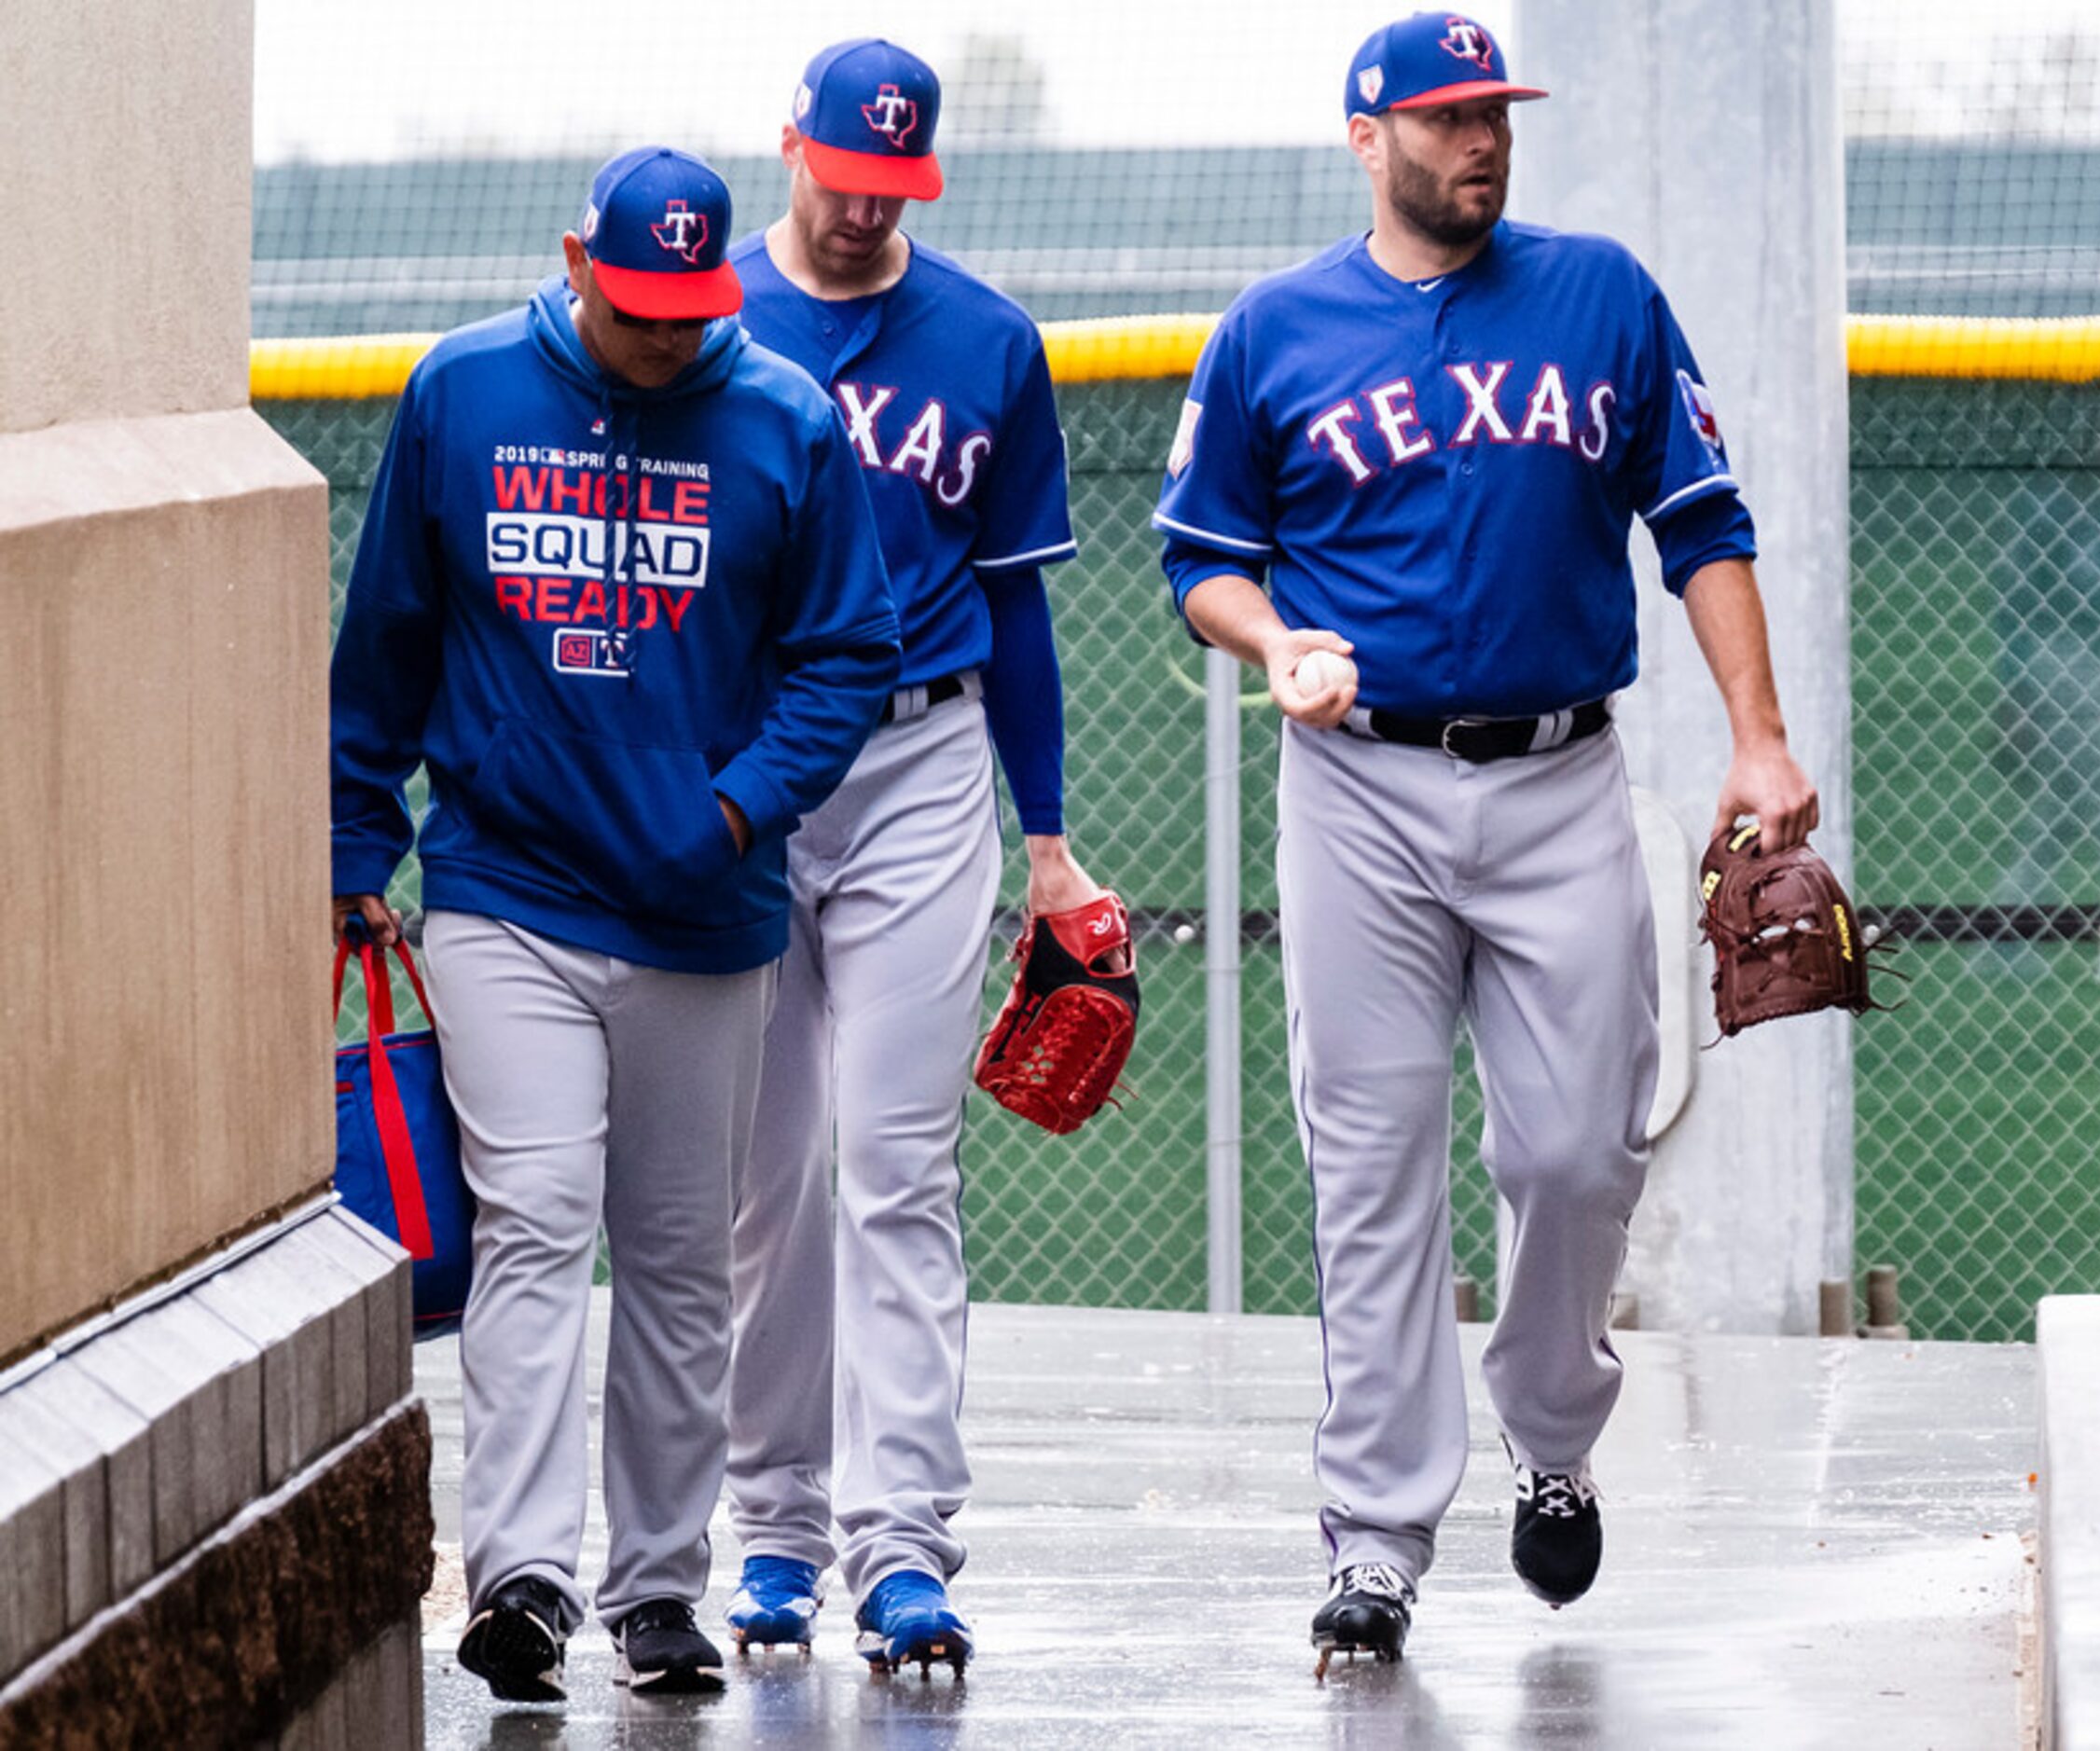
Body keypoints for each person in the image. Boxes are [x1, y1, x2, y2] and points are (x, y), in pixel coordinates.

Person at [1152, 13, 1819, 1669]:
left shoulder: (1601, 294)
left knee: (1580, 1149)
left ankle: (1553, 1427)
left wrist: (1757, 733)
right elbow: (1199, 558)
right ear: (1366, 135)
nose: (1483, 138)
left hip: (1558, 777)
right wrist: (1271, 639)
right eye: (1448, 115)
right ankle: (1376, 1540)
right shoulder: (1272, 328)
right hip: (1358, 787)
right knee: (1372, 1169)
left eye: (1495, 112)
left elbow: (1702, 521)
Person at [328, 145, 900, 1702]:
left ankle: (659, 1589)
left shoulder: (782, 418)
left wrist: (733, 808)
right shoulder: (461, 393)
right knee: (532, 1219)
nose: (661, 337)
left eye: (685, 309)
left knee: (676, 1263)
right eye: (635, 306)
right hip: (506, 889)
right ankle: (518, 1574)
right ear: (575, 258)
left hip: (703, 909)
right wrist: (353, 835)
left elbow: (850, 653)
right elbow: (387, 628)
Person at [718, 38, 1099, 1675]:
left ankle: (905, 1546)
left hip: (925, 756)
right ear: (787, 149)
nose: (868, 209)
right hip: (744, 766)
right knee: (765, 1178)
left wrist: (1055, 838)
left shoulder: (986, 339)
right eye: (845, 177)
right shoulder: (699, 308)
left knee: (895, 1160)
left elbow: (1015, 601)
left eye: (898, 187)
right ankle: (776, 1532)